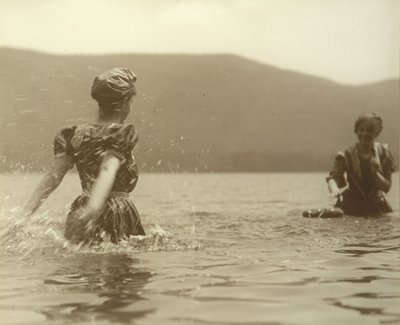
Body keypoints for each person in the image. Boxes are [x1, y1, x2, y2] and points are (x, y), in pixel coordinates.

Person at [23, 67, 145, 243]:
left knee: (82, 262)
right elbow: (107, 169)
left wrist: (24, 215)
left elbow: (53, 177)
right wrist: (93, 208)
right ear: (125, 101)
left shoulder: (74, 135)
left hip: (81, 206)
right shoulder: (122, 133)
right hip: (114, 211)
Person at [326, 113, 397, 216]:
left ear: (376, 133)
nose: (364, 134)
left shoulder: (383, 153)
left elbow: (386, 187)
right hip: (351, 202)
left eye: (369, 130)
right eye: (361, 130)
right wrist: (335, 191)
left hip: (376, 202)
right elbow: (333, 178)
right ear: (356, 131)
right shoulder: (346, 154)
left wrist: (376, 173)